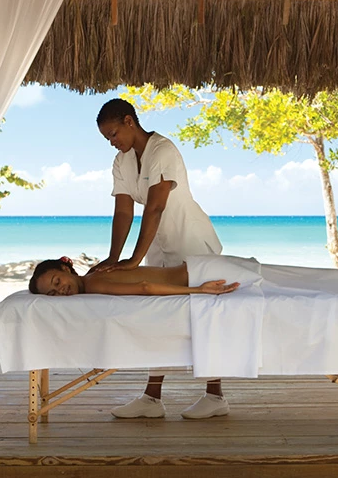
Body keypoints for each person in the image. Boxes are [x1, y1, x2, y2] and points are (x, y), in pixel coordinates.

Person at [89, 98, 228, 420]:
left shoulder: (162, 150)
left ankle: (216, 396)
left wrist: (134, 260)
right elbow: (123, 211)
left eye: (113, 134)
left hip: (190, 240)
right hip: (157, 245)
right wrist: (113, 258)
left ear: (129, 121)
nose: (112, 142)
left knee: (203, 317)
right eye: (107, 138)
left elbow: (155, 206)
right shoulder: (122, 161)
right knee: (158, 316)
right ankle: (152, 399)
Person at [28, 257, 240, 297]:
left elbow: (145, 287)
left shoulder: (95, 283)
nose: (61, 290)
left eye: (57, 282)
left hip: (202, 275)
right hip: (196, 269)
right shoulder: (95, 273)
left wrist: (199, 289)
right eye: (53, 293)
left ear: (65, 269)